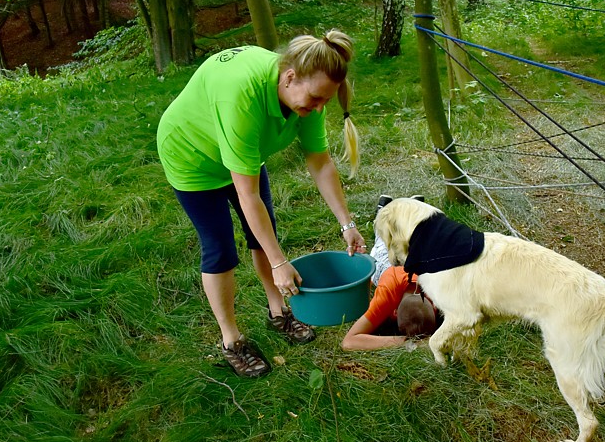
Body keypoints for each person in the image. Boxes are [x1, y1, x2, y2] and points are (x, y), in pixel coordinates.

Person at [157, 30, 367, 378]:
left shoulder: (308, 94)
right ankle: (231, 340)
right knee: (220, 247)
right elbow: (247, 194)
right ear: (289, 77)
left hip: (242, 152)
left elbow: (320, 161)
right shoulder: (243, 98)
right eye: (315, 99)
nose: (317, 109)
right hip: (192, 157)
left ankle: (278, 311)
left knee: (262, 232)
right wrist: (280, 261)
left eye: (324, 102)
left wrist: (347, 223)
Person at [341, 196, 440, 351]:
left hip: (416, 267)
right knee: (385, 243)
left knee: (408, 241)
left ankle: (405, 212)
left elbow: (350, 341)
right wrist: (404, 342)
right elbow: (348, 343)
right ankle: (394, 213)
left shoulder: (441, 291)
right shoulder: (387, 293)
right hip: (391, 268)